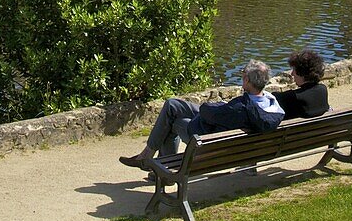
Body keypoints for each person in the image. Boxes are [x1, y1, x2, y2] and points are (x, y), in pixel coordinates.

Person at [118, 60, 285, 168]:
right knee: (172, 104)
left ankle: (157, 165)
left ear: (247, 80)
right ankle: (147, 156)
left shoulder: (240, 108)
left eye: (243, 76)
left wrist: (216, 105)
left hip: (208, 138)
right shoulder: (272, 105)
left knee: (173, 122)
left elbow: (207, 112)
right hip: (230, 133)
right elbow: (224, 113)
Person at [274, 49, 330, 119]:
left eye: (294, 70)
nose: (292, 74)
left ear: (301, 73)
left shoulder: (292, 97)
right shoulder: (322, 89)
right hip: (322, 128)